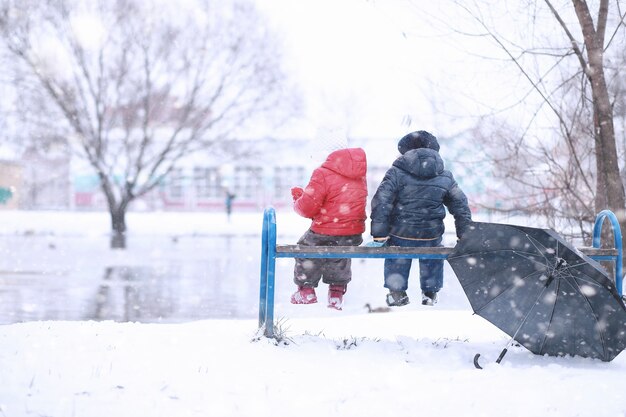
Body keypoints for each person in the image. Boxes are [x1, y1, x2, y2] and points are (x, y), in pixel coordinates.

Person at [370, 130, 472, 307]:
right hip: (430, 234)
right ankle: (430, 293)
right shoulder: (445, 176)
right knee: (433, 250)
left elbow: (382, 201)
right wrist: (465, 235)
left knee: (397, 251)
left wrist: (379, 234)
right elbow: (461, 206)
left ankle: (397, 293)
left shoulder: (395, 172)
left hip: (400, 233)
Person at [290, 147, 368, 310]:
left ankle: (306, 290)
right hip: (353, 231)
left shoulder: (322, 173)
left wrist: (298, 199)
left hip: (325, 229)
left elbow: (307, 208)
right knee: (340, 250)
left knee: (306, 247)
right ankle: (336, 292)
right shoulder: (359, 175)